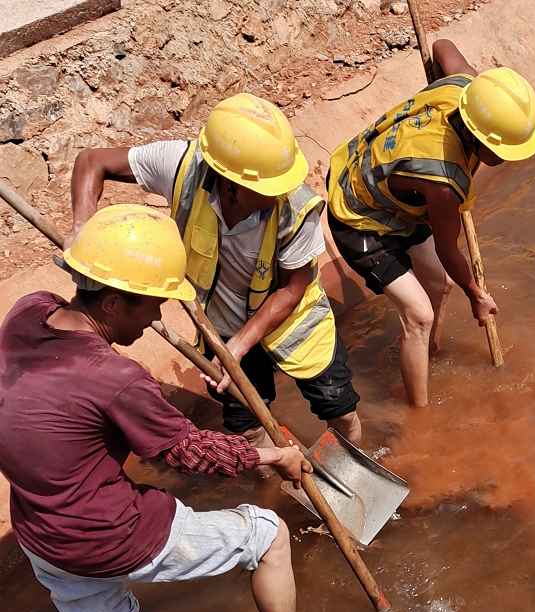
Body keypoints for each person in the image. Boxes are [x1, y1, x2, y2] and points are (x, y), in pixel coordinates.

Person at [0, 205, 312, 612]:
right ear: (111, 304)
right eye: (152, 305)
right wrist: (277, 455)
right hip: (109, 537)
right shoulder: (117, 379)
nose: (156, 318)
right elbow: (190, 453)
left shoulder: (28, 309)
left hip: (41, 536)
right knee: (269, 535)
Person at [69, 93, 362, 471]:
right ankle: (282, 482)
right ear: (228, 180)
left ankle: (351, 474)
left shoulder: (297, 207)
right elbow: (92, 161)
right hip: (221, 324)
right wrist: (81, 228)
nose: (278, 195)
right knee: (246, 427)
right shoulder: (182, 166)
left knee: (339, 408)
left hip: (293, 322)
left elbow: (292, 289)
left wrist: (240, 344)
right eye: (266, 189)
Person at [326, 39, 535, 406]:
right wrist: (476, 295)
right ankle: (420, 417)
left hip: (394, 195)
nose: (507, 159)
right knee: (419, 313)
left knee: (440, 286)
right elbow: (447, 249)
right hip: (358, 214)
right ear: (477, 137)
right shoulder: (443, 183)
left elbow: (442, 46)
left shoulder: (467, 87)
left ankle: (427, 354)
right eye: (503, 152)